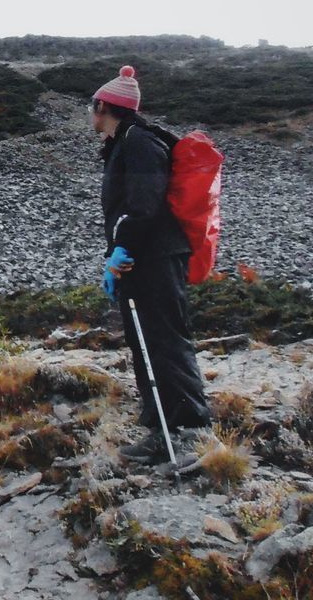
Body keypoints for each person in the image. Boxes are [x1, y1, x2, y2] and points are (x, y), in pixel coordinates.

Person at [90, 65, 213, 464]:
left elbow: (142, 206)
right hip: (143, 257)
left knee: (163, 338)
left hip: (155, 255)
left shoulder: (139, 143)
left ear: (105, 106)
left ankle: (190, 432)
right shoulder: (124, 143)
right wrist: (118, 258)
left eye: (94, 107)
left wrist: (121, 249)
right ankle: (161, 426)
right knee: (144, 338)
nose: (91, 116)